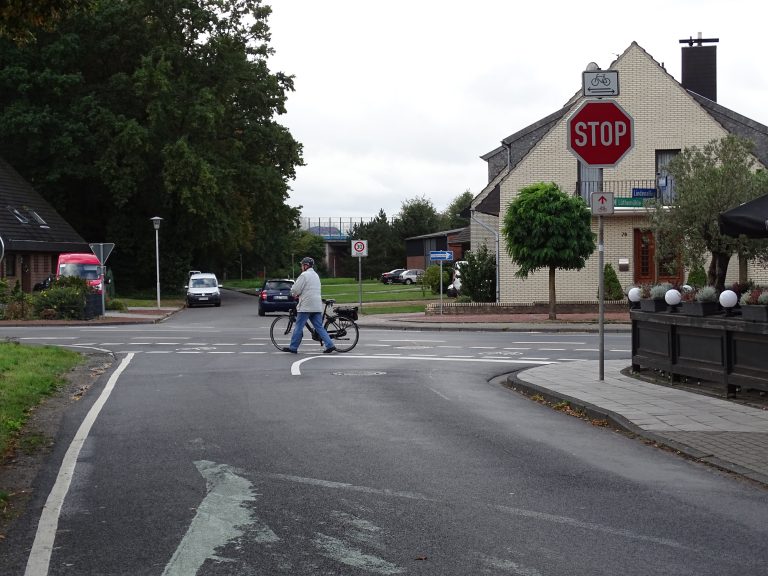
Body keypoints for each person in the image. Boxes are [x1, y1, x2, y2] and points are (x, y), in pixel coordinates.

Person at [282, 257, 337, 354]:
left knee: (299, 326)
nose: (301, 267)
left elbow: (296, 290)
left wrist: (293, 293)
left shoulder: (304, 275)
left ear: (306, 265)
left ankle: (293, 347)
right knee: (319, 327)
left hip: (306, 306)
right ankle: (330, 345)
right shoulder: (316, 275)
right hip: (316, 305)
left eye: (302, 265)